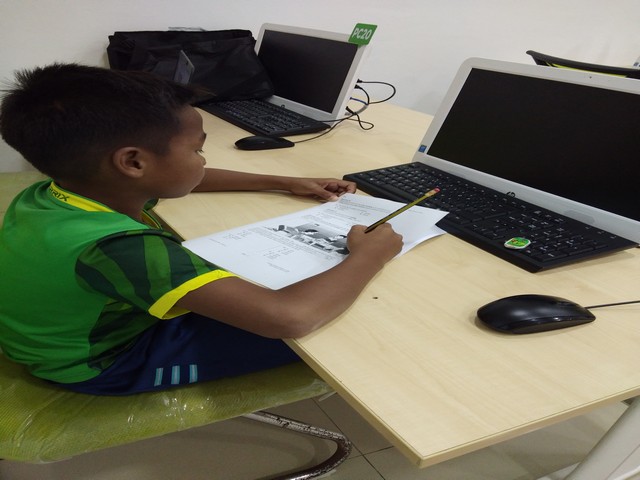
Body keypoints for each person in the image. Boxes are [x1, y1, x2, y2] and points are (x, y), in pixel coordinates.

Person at [0, 64, 403, 395]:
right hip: (104, 363)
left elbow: (184, 177)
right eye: (197, 149)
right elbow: (288, 318)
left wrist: (284, 181)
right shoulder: (119, 247)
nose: (203, 161)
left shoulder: (62, 193)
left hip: (52, 334)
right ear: (133, 163)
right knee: (335, 332)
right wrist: (370, 255)